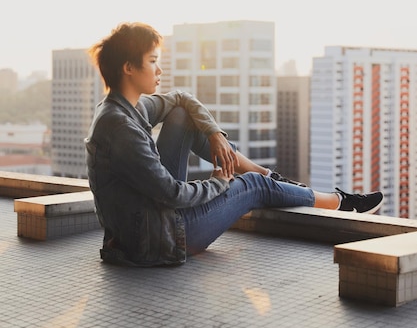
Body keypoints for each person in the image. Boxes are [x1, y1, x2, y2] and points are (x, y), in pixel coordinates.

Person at [84, 22, 383, 267]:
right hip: (161, 240)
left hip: (148, 226)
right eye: (152, 62)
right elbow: (172, 193)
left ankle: (267, 175)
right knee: (253, 187)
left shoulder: (123, 108)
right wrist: (219, 182)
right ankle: (339, 203)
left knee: (181, 116)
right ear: (129, 68)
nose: (159, 71)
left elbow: (181, 98)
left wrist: (214, 134)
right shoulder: (121, 127)